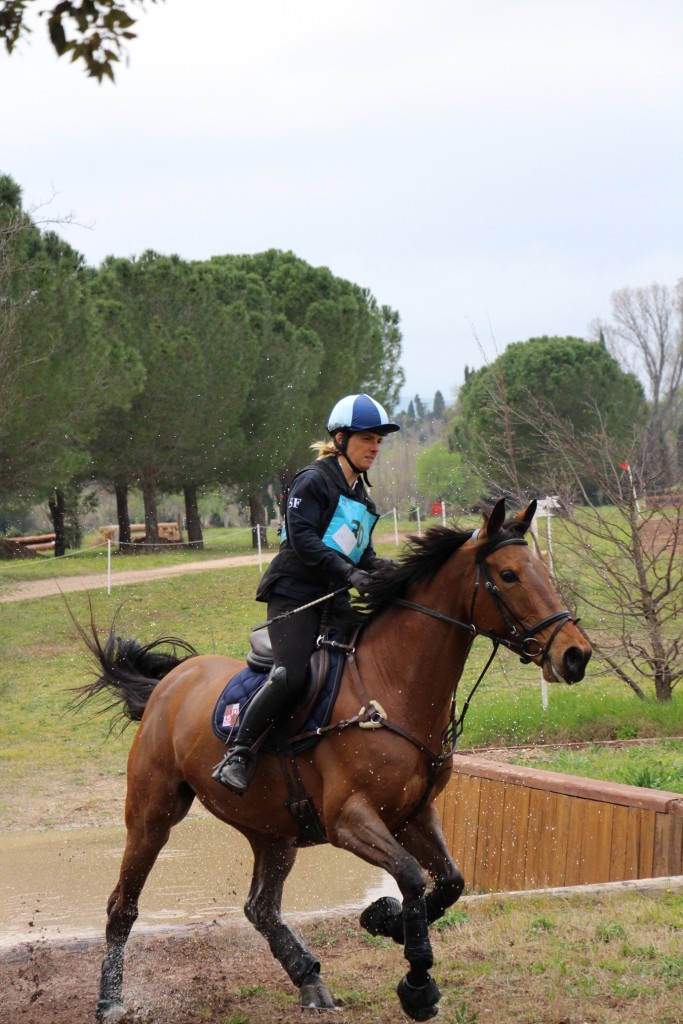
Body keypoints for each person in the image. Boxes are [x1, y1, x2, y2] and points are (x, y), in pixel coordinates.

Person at [212, 393, 400, 795]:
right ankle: (239, 753)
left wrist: (390, 571)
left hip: (334, 601)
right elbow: (302, 540)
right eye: (368, 438)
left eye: (379, 441)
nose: (375, 447)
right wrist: (350, 572)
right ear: (341, 438)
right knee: (290, 674)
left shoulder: (361, 497)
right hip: (294, 597)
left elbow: (362, 552)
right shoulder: (313, 480)